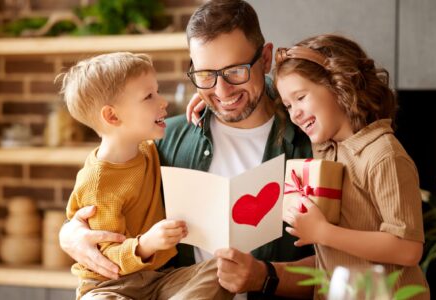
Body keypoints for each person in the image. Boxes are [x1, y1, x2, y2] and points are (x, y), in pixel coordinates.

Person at [59, 1, 316, 299]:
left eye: (235, 71)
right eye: (206, 74)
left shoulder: (310, 143)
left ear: (266, 58)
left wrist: (267, 276)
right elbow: (104, 194)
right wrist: (70, 233)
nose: (222, 92)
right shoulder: (166, 141)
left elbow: (347, 269)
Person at [58, 52, 232, 300]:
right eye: (149, 96)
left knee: (222, 270)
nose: (163, 102)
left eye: (157, 91)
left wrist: (210, 101)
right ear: (112, 116)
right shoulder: (99, 180)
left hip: (158, 279)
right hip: (111, 286)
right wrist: (146, 244)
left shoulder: (149, 150)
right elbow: (104, 257)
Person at [273, 34, 430, 299]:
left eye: (300, 98)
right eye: (288, 105)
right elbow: (262, 100)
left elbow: (408, 248)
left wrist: (323, 233)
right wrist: (210, 100)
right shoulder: (324, 146)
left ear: (339, 85)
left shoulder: (383, 155)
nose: (294, 113)